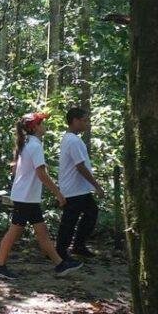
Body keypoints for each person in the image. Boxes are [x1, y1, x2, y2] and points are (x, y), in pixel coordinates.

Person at [0, 112, 83, 280]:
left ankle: (60, 265)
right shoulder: (35, 146)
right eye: (42, 123)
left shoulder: (28, 144)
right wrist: (58, 194)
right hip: (26, 198)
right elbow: (41, 174)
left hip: (27, 197)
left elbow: (19, 170)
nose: (45, 126)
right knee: (14, 232)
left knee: (42, 233)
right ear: (35, 127)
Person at [57, 107, 104, 259]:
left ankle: (77, 246)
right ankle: (61, 251)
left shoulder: (71, 139)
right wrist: (96, 186)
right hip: (74, 189)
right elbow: (80, 166)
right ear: (75, 121)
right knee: (70, 220)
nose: (87, 124)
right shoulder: (73, 140)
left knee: (90, 213)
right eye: (84, 120)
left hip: (78, 188)